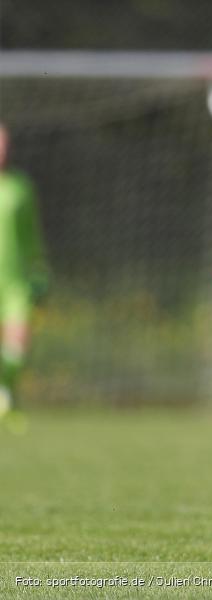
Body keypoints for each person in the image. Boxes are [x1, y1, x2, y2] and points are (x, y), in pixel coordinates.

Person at [0, 123, 48, 426]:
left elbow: (33, 235)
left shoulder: (21, 186)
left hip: (15, 282)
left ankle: (7, 396)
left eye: (4, 144)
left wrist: (40, 270)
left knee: (17, 345)